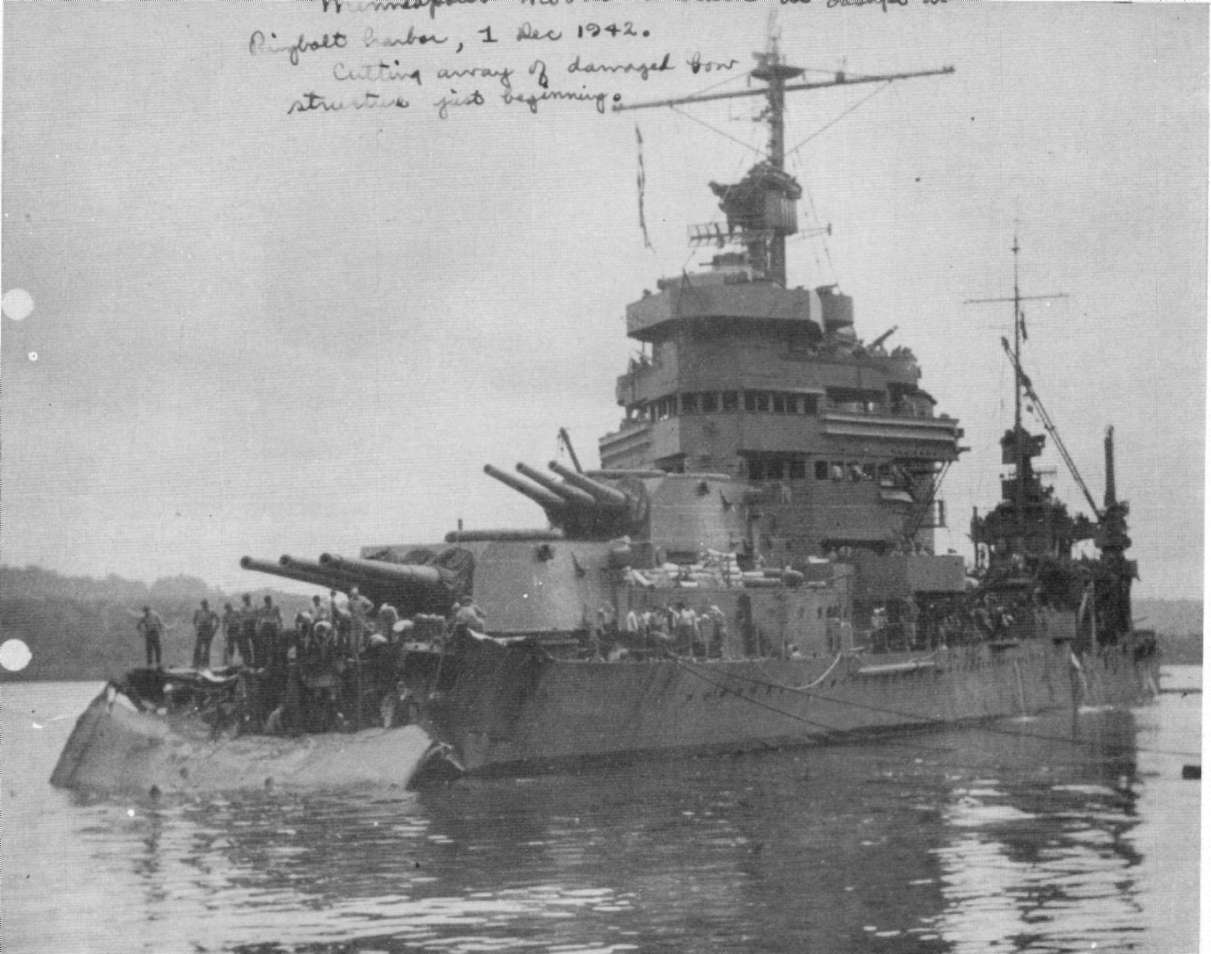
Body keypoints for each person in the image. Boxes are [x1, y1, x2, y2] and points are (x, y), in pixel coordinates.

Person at [192, 599, 220, 670]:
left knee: (207, 648)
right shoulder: (198, 611)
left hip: (208, 630)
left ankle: (205, 665)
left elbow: (218, 620)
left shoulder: (211, 611)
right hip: (201, 630)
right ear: (201, 605)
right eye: (203, 604)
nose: (204, 606)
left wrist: (214, 630)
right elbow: (194, 620)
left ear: (207, 604)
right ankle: (196, 664)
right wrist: (196, 628)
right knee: (197, 647)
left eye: (205, 604)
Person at [238, 593, 258, 666]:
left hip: (253, 624)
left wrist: (257, 625)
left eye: (247, 598)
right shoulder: (242, 607)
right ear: (244, 600)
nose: (246, 600)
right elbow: (241, 619)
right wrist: (241, 628)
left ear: (249, 598)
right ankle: (247, 661)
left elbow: (257, 615)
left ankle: (256, 660)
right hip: (246, 625)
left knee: (255, 643)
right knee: (245, 644)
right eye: (245, 599)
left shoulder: (254, 606)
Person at [221, 601, 240, 666]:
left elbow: (241, 619)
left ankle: (241, 660)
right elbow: (223, 626)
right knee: (230, 646)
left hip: (237, 629)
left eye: (229, 607)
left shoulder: (236, 611)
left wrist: (241, 628)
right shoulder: (225, 615)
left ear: (231, 607)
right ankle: (230, 661)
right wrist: (224, 635)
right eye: (227, 608)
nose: (228, 609)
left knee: (240, 644)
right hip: (230, 630)